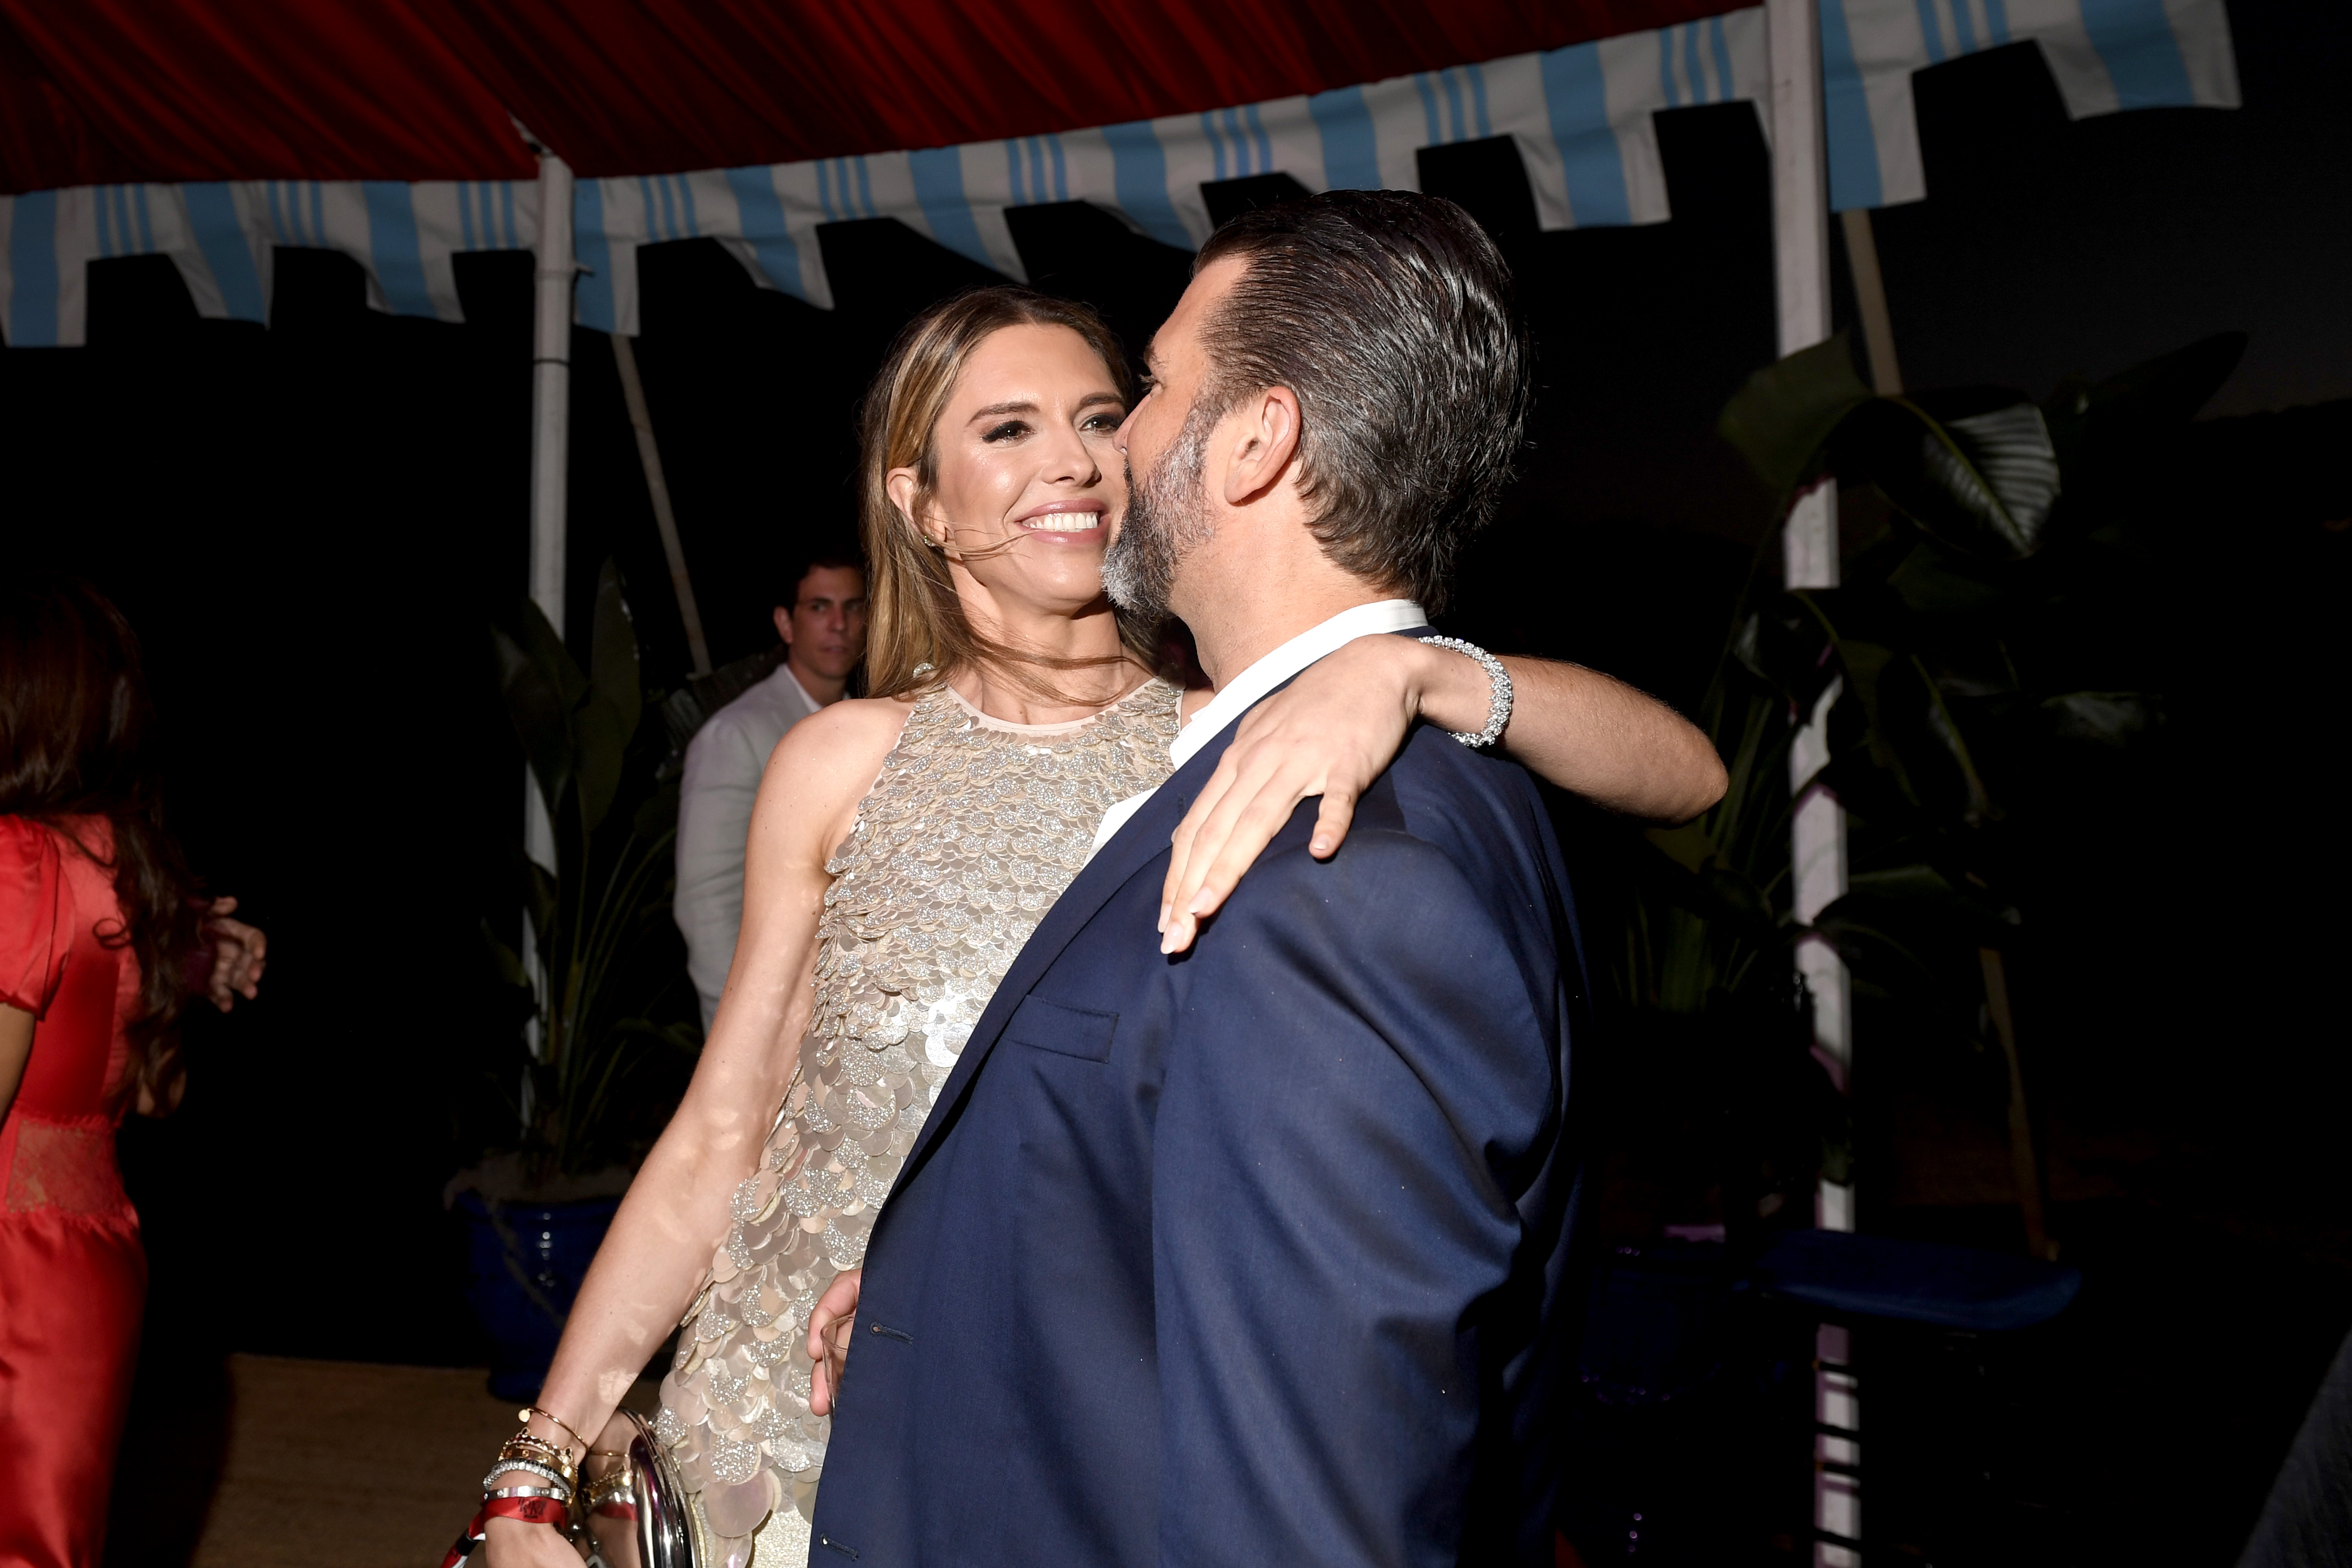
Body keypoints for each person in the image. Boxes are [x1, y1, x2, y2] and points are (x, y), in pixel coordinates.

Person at [472, 278, 1723, 1568]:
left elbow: (1685, 770)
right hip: (754, 1435)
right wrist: (538, 1463)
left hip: (1023, 1444)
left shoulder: (1236, 730)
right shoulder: (840, 763)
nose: (1070, 458)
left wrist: (1420, 667)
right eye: (1006, 430)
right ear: (920, 502)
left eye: (1099, 415)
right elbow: (721, 1129)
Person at [811, 191, 1581, 1565]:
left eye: (1150, 391)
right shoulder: (1400, 772)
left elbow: (1314, 1509)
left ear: (1254, 437)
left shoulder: (1336, 882)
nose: (1118, 448)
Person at [0, 574, 268, 1568]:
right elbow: (151, 1088)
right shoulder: (123, 858)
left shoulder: (18, 857)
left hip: (13, 1266)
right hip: (88, 1251)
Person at [677, 554, 869, 1030]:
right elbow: (706, 902)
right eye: (819, 607)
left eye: (853, 607)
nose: (839, 624)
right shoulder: (738, 733)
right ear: (786, 623)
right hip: (767, 1017)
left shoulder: (868, 724)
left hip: (850, 1012)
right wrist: (744, 1029)